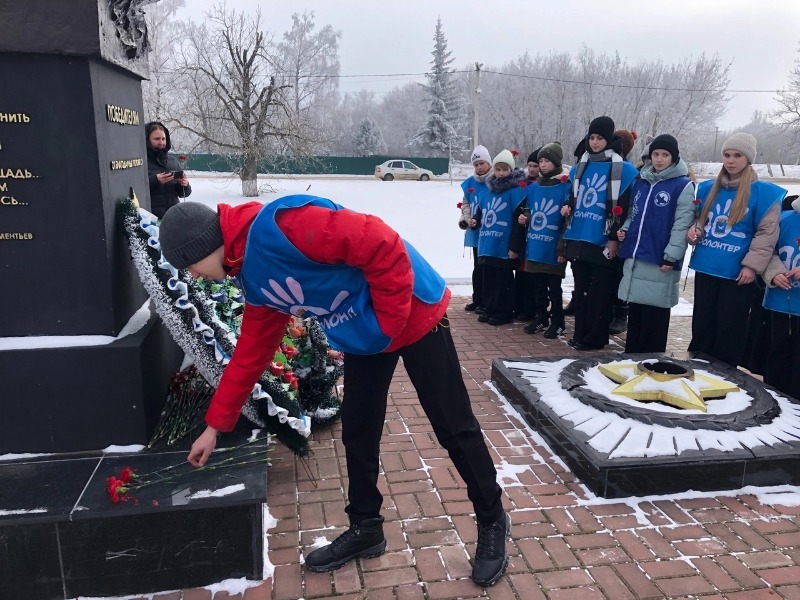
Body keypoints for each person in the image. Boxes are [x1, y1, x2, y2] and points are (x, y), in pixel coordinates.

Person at [157, 197, 509, 586]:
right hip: (368, 331)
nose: (193, 275)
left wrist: (386, 327)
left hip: (410, 309)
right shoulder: (249, 273)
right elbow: (250, 354)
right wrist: (215, 426)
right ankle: (366, 527)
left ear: (204, 246)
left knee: (452, 424)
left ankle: (492, 518)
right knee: (359, 431)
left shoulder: (285, 226)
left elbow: (382, 243)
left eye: (189, 265)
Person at [687, 132, 785, 366]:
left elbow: (766, 234)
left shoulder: (764, 193)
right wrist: (695, 231)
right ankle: (697, 367)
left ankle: (725, 374)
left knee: (729, 327)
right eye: (727, 155)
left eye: (737, 155)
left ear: (748, 159)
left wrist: (751, 267)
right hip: (707, 266)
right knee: (702, 323)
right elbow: (701, 220)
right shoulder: (708, 188)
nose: (730, 160)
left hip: (737, 273)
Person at [561, 116, 639, 350]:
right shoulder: (580, 166)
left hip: (603, 241)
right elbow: (573, 196)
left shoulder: (624, 170)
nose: (594, 142)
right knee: (581, 291)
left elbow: (624, 208)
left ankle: (595, 338)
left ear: (609, 139)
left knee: (599, 294)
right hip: (579, 236)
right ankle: (580, 334)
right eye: (592, 137)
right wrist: (568, 206)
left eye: (600, 138)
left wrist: (614, 239)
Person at [616, 134, 695, 353]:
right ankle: (632, 356)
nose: (659, 159)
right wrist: (625, 230)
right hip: (637, 255)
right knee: (637, 311)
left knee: (655, 313)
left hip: (660, 258)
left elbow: (682, 224)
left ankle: (652, 358)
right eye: (656, 154)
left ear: (674, 157)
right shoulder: (641, 182)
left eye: (665, 155)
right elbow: (633, 213)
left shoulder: (682, 185)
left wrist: (672, 255)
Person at [518, 142, 570, 338]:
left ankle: (558, 321)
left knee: (554, 288)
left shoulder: (564, 186)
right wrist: (526, 218)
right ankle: (541, 316)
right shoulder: (534, 187)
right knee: (537, 285)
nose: (542, 164)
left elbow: (567, 221)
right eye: (541, 161)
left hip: (553, 247)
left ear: (556, 162)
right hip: (535, 245)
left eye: (547, 160)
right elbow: (530, 210)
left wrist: (562, 248)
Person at [477, 149, 528, 326]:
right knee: (488, 278)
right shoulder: (488, 190)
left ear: (511, 170)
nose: (500, 173)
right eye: (498, 169)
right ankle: (489, 307)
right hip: (487, 242)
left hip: (504, 244)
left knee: (503, 280)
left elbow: (517, 221)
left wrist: (514, 247)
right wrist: (474, 220)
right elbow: (480, 211)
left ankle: (503, 311)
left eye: (504, 169)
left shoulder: (515, 191)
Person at [763, 195, 800, 397]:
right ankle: (774, 401)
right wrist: (773, 272)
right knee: (779, 354)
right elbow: (765, 250)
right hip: (782, 303)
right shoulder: (784, 219)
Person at [459, 145, 492, 314]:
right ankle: (477, 299)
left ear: (489, 163)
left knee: (487, 269)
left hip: (491, 231)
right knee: (477, 267)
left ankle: (487, 301)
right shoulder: (470, 183)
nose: (479, 167)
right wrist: (467, 219)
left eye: (482, 163)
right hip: (475, 230)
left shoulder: (494, 180)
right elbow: (466, 203)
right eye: (476, 164)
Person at [145, 121, 191, 218]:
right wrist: (155, 180)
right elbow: (134, 188)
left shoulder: (173, 161)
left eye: (163, 139)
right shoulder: (141, 162)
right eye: (157, 139)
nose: (161, 142)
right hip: (150, 218)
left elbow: (184, 194)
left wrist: (184, 185)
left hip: (173, 217)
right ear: (147, 140)